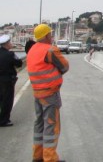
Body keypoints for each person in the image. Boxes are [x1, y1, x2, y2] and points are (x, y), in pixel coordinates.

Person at [27, 24, 69, 162]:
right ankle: (50, 158)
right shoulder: (50, 50)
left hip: (37, 93)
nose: (51, 36)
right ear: (45, 36)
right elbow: (64, 66)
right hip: (50, 93)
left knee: (39, 124)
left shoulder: (32, 49)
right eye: (50, 34)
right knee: (51, 125)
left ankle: (37, 156)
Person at [0, 34, 23, 127]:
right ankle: (4, 120)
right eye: (9, 42)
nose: (11, 43)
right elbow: (19, 63)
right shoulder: (10, 54)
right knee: (7, 100)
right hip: (7, 80)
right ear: (6, 44)